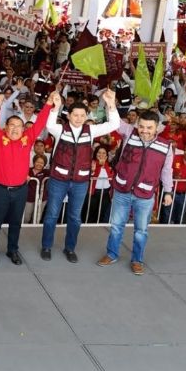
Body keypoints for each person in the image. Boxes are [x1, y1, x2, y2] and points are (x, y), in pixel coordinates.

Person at [40, 89, 120, 263]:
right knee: (52, 215)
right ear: (68, 116)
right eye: (75, 115)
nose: (78, 118)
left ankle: (70, 248)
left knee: (75, 218)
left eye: (82, 115)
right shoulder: (59, 129)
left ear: (86, 116)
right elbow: (49, 125)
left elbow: (114, 125)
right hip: (58, 180)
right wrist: (56, 106)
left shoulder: (90, 130)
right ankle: (46, 246)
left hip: (80, 182)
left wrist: (111, 104)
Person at [98, 110, 174, 276]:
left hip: (145, 195)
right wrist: (111, 104)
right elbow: (116, 122)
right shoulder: (129, 133)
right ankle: (111, 254)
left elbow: (167, 171)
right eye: (141, 126)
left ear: (156, 128)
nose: (144, 130)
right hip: (122, 190)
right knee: (116, 226)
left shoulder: (165, 147)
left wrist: (168, 191)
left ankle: (137, 260)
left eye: (149, 127)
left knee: (141, 230)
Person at [0, 91, 55, 265]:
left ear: (24, 129)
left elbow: (40, 123)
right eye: (12, 125)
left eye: (19, 126)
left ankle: (12, 250)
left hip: (21, 190)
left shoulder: (28, 138)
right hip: (0, 189)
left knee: (16, 222)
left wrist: (48, 103)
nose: (15, 129)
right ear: (6, 127)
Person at [83, 146, 113, 224]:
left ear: (106, 156)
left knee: (102, 214)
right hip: (93, 193)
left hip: (106, 194)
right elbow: (89, 175)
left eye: (103, 153)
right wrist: (94, 169)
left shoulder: (109, 166)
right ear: (95, 154)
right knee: (90, 215)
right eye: (99, 152)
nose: (101, 155)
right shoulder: (91, 163)